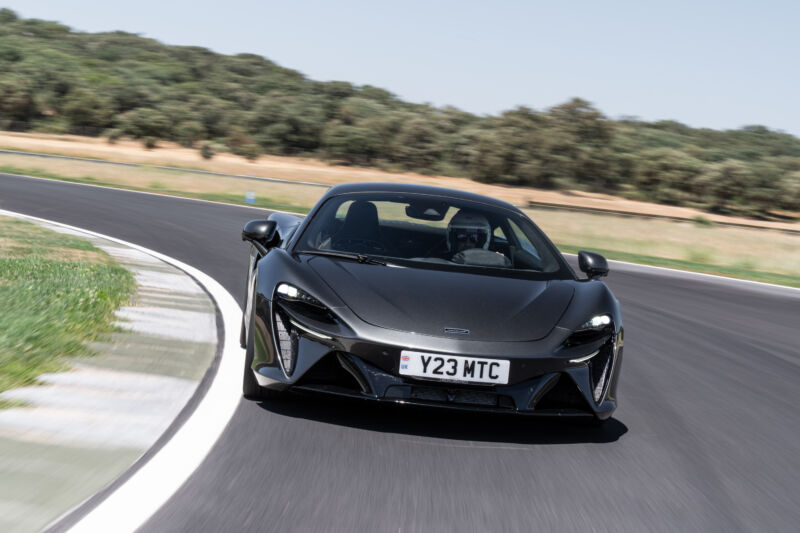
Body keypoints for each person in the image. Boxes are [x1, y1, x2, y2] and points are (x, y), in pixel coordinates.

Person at [446, 210, 511, 267]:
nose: (467, 243)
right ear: (453, 239)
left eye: (473, 238)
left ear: (481, 241)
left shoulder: (494, 263)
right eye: (462, 237)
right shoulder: (443, 262)